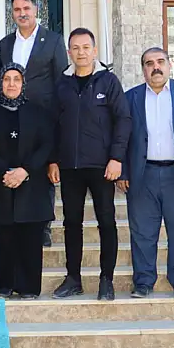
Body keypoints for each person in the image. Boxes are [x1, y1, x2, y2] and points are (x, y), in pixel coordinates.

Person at [117, 47, 174, 299]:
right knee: (142, 233)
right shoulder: (132, 97)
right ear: (143, 70)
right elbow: (122, 137)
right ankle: (143, 281)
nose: (155, 67)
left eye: (160, 62)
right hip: (142, 175)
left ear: (169, 66)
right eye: (149, 63)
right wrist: (123, 170)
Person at [48, 28, 132, 301]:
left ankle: (106, 279)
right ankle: (73, 278)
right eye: (75, 48)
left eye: (86, 47)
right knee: (71, 223)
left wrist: (117, 158)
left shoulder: (108, 82)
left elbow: (123, 121)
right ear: (69, 52)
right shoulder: (62, 85)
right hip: (70, 167)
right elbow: (54, 125)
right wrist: (53, 160)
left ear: (94, 51)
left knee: (106, 221)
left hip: (102, 166)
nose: (81, 52)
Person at [0, 63, 55, 300]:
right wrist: (5, 171)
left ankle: (29, 286)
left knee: (30, 238)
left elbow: (47, 145)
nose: (11, 84)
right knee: (2, 237)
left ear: (24, 84)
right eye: (7, 80)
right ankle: (4, 284)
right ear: (0, 83)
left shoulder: (39, 113)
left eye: (16, 79)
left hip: (31, 183)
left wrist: (25, 170)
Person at [0, 0, 68, 247]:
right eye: (17, 9)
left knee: (41, 169)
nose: (22, 13)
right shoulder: (5, 43)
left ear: (36, 10)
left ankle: (43, 225)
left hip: (44, 117)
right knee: (17, 164)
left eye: (26, 8)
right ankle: (15, 218)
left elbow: (60, 81)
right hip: (13, 116)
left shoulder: (52, 40)